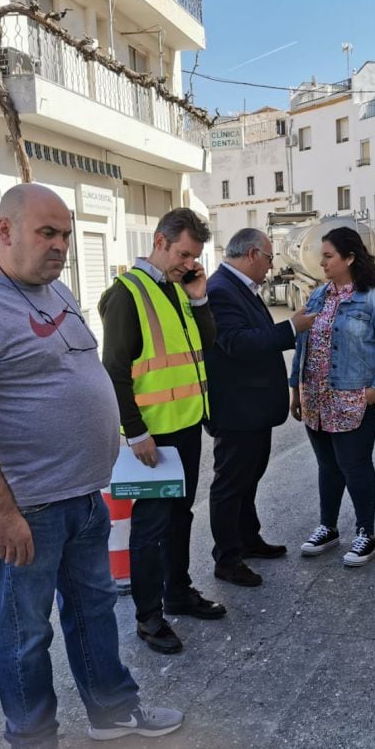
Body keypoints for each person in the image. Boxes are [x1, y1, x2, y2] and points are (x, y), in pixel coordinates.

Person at [0, 184, 184, 749]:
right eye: (48, 233)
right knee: (26, 632)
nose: (61, 246)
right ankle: (33, 748)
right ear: (6, 229)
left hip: (83, 497)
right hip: (27, 510)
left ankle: (112, 712)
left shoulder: (58, 294)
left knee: (95, 609)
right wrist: (0, 509)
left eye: (66, 235)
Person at [99, 208, 220, 655]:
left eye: (194, 257)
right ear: (160, 240)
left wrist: (200, 296)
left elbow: (205, 344)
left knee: (181, 516)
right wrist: (135, 432)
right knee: (150, 528)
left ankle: (178, 592)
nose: (188, 263)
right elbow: (114, 370)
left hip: (185, 427)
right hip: (153, 438)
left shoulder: (176, 289)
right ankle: (149, 617)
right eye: (183, 254)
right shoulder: (129, 294)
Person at [289, 227, 375, 567]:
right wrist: (295, 390)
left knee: (355, 467)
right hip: (315, 399)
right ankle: (328, 527)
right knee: (327, 466)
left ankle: (365, 533)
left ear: (350, 258)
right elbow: (302, 345)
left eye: (329, 256)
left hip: (354, 400)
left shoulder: (372, 299)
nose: (322, 262)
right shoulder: (317, 297)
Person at [204, 228, 315, 586]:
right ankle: (227, 558)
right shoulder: (220, 290)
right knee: (231, 485)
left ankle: (248, 540)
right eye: (268, 258)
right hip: (237, 410)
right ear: (251, 254)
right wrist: (291, 329)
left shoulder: (238, 288)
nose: (271, 266)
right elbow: (236, 343)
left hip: (252, 409)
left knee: (248, 480)